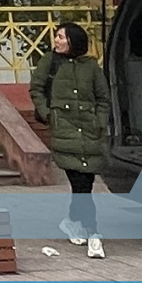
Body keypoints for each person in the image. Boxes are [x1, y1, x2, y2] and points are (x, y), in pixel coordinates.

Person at [30, 20, 111, 258]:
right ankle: (94, 234)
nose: (57, 40)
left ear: (74, 41)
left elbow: (103, 98)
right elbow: (36, 89)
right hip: (64, 131)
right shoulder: (50, 61)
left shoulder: (91, 67)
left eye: (61, 37)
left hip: (89, 133)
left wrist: (100, 122)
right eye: (57, 36)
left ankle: (72, 221)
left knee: (84, 186)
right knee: (81, 186)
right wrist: (48, 114)